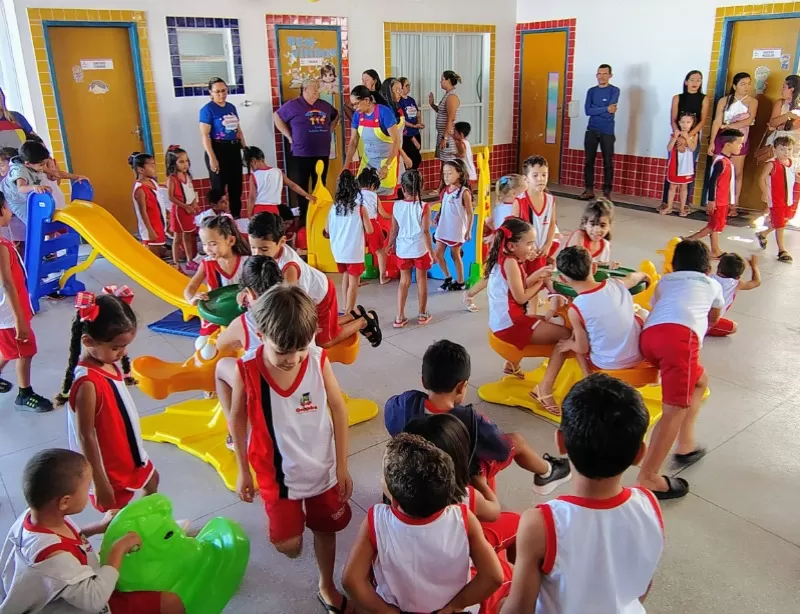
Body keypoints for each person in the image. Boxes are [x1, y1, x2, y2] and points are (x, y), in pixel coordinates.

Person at [229, 285, 353, 613]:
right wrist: (242, 468)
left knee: (326, 530)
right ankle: (290, 533)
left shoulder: (316, 358)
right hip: (275, 475)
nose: (293, 359)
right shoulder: (248, 369)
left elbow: (339, 409)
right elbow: (237, 419)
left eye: (300, 349)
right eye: (284, 351)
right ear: (260, 333)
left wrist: (341, 465)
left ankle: (326, 585)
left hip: (321, 468)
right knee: (289, 545)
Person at [500, 374, 664, 613]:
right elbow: (642, 586)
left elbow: (518, 610)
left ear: (560, 442)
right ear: (640, 454)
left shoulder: (541, 523)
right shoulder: (651, 505)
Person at [0, 448, 185, 613]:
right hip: (85, 603)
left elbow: (64, 542)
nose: (90, 492)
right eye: (87, 487)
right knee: (171, 603)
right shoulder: (53, 557)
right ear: (64, 501)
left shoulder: (37, 517)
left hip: (74, 587)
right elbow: (94, 600)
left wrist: (97, 527)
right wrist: (118, 549)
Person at [343, 432, 505, 614]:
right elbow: (494, 576)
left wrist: (387, 611)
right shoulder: (464, 518)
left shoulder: (375, 521)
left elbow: (351, 580)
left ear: (394, 500)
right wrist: (456, 605)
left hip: (399, 608)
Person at [385, 339, 572, 495]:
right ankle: (547, 472)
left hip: (412, 467)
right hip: (455, 477)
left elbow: (390, 419)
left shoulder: (404, 402)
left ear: (423, 381)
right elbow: (501, 450)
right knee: (516, 441)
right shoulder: (470, 420)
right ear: (461, 386)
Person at [51, 288, 158, 512]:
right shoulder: (88, 383)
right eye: (115, 347)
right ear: (88, 341)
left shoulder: (106, 362)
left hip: (128, 451)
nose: (122, 352)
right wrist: (100, 481)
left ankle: (150, 526)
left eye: (125, 346)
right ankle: (124, 542)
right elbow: (85, 435)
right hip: (110, 465)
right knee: (115, 512)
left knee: (152, 480)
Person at [637, 239, 725, 499]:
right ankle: (649, 476)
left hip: (649, 337)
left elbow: (658, 304)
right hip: (680, 341)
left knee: (700, 381)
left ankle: (686, 444)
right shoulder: (712, 284)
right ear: (707, 268)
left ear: (674, 265)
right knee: (673, 410)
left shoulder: (666, 281)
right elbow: (714, 318)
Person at [247, 212, 381, 348]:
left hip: (322, 296)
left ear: (281, 242)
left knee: (324, 341)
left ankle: (364, 321)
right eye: (253, 248)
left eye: (263, 249)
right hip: (310, 291)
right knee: (320, 326)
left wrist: (307, 323)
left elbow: (295, 302)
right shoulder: (268, 255)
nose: (257, 254)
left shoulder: (289, 270)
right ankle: (354, 315)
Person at [486, 217, 572, 415]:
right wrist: (542, 283)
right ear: (512, 245)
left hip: (504, 321)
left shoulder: (508, 259)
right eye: (529, 243)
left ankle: (512, 364)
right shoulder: (511, 263)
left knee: (548, 322)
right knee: (566, 335)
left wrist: (540, 274)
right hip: (510, 325)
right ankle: (544, 389)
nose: (533, 247)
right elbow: (521, 295)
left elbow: (519, 286)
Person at [215, 255, 283, 450]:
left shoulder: (245, 321)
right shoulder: (297, 305)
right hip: (299, 374)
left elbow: (221, 345)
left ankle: (236, 431)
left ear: (250, 292)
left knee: (221, 368)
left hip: (264, 385)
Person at [555, 246, 650, 371]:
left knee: (576, 335)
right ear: (594, 268)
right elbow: (633, 277)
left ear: (562, 279)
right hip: (639, 355)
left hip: (606, 363)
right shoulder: (615, 284)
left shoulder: (575, 309)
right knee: (641, 314)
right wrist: (644, 275)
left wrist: (570, 344)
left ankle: (586, 376)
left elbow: (582, 348)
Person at [0, 192, 51, 412]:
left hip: (9, 312)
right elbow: (7, 284)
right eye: (8, 206)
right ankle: (24, 393)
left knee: (8, 348)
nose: (10, 211)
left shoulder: (3, 241)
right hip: (9, 314)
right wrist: (19, 319)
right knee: (24, 351)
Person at [273, 79, 340, 224]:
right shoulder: (293, 105)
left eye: (317, 88)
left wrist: (330, 130)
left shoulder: (324, 105)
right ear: (304, 90)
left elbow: (336, 115)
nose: (317, 91)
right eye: (313, 88)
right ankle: (304, 218)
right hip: (301, 153)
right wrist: (288, 136)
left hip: (322, 152)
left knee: (320, 183)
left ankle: (320, 215)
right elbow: (276, 117)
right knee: (302, 185)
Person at [1, 140, 85, 248]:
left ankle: (49, 248)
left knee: (48, 219)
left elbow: (56, 173)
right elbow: (21, 188)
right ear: (27, 164)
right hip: (16, 200)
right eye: (41, 165)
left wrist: (76, 177)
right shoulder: (19, 171)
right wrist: (34, 187)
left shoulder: (35, 163)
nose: (43, 167)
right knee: (35, 225)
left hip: (28, 196)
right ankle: (38, 248)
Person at [183, 215, 249, 349]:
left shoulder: (246, 261)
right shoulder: (207, 263)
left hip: (242, 312)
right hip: (216, 314)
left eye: (213, 244)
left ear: (230, 240)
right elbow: (191, 287)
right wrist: (192, 298)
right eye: (204, 243)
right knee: (203, 345)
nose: (207, 249)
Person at [464, 174, 527, 312]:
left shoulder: (500, 206)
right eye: (524, 189)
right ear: (514, 192)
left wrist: (493, 234)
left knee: (502, 274)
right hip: (504, 248)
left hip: (501, 246)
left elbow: (491, 222)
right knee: (492, 275)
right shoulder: (513, 208)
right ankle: (469, 294)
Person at [388, 169, 436, 328]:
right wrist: (432, 252)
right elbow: (426, 231)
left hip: (403, 249)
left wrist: (389, 245)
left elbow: (394, 231)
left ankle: (400, 317)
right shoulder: (424, 206)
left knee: (404, 281)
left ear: (402, 188)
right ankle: (422, 314)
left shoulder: (396, 206)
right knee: (422, 280)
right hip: (420, 249)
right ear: (421, 187)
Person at [686, 128, 744, 257]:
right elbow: (712, 182)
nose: (741, 146)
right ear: (728, 144)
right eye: (739, 143)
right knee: (712, 227)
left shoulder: (727, 161)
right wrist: (711, 200)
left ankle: (715, 250)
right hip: (718, 201)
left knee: (715, 226)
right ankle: (688, 241)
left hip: (723, 201)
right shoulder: (721, 162)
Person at [707, 72, 756, 216]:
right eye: (743, 84)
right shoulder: (724, 101)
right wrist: (711, 142)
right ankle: (714, 202)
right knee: (718, 171)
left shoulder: (753, 102)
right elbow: (717, 121)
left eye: (749, 83)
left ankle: (733, 204)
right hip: (722, 139)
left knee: (737, 173)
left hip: (740, 139)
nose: (746, 87)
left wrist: (728, 126)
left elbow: (748, 121)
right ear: (734, 86)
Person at [661, 70, 711, 208]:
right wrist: (678, 135)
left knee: (689, 169)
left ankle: (685, 204)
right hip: (676, 136)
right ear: (686, 81)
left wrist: (687, 137)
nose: (695, 83)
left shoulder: (704, 99)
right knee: (672, 168)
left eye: (699, 80)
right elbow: (673, 119)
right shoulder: (677, 98)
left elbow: (702, 121)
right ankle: (666, 202)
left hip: (692, 137)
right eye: (693, 79)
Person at [326, 170, 373, 315]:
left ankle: (345, 306)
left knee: (346, 276)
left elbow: (326, 230)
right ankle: (349, 311)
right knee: (354, 282)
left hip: (338, 251)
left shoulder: (333, 208)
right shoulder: (359, 208)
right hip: (353, 251)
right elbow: (370, 230)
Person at [344, 85, 402, 198]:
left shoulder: (384, 113)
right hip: (367, 163)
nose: (355, 108)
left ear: (366, 100)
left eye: (356, 104)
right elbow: (353, 142)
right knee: (362, 197)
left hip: (385, 164)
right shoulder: (357, 116)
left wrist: (387, 166)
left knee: (383, 200)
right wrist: (346, 166)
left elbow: (396, 141)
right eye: (353, 105)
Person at [199, 78, 246, 218]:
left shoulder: (231, 107)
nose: (221, 94)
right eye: (218, 91)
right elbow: (205, 136)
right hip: (217, 149)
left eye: (224, 90)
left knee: (236, 187)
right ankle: (219, 220)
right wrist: (213, 158)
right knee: (219, 189)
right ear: (211, 93)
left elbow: (238, 130)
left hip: (233, 149)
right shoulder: (207, 110)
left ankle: (236, 218)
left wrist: (245, 148)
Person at [512, 156, 559, 272]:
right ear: (526, 179)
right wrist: (529, 249)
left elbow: (552, 224)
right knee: (523, 285)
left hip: (541, 252)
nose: (540, 179)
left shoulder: (550, 200)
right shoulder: (519, 201)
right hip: (524, 254)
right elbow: (513, 231)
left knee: (539, 282)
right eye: (535, 175)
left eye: (544, 175)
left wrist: (548, 245)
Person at [580, 64, 620, 200]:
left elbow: (611, 112)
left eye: (604, 73)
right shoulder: (591, 91)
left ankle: (607, 192)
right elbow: (587, 111)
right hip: (591, 129)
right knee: (589, 161)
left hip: (607, 131)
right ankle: (589, 189)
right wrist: (604, 108)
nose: (601, 76)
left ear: (610, 75)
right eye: (599, 73)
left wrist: (596, 109)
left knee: (608, 161)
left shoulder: (615, 90)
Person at [435, 159, 474, 292]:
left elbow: (470, 213)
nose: (446, 176)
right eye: (444, 173)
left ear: (460, 174)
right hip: (443, 227)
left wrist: (468, 231)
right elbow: (444, 205)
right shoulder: (445, 190)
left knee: (455, 255)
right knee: (438, 254)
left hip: (455, 230)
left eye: (449, 173)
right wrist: (438, 214)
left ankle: (461, 282)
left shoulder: (464, 192)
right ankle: (447, 277)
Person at [242, 145, 312, 219]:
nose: (251, 169)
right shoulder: (278, 172)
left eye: (250, 166)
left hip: (259, 209)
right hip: (274, 209)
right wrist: (307, 195)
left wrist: (249, 214)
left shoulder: (254, 176)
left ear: (253, 161)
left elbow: (252, 197)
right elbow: (292, 185)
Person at [756, 135, 797, 261]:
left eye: (789, 149)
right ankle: (782, 250)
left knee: (782, 222)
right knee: (780, 226)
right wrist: (764, 192)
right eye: (782, 149)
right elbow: (761, 178)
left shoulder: (791, 163)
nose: (786, 152)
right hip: (776, 199)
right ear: (775, 149)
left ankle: (762, 234)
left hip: (788, 199)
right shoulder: (772, 164)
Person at [708, 253, 761, 337]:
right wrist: (754, 266)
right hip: (708, 322)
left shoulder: (708, 277)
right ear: (738, 276)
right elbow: (756, 282)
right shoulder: (736, 284)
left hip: (692, 314)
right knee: (734, 327)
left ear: (718, 268)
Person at [164, 145, 198, 272]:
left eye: (187, 161)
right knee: (178, 237)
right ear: (174, 163)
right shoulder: (172, 179)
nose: (185, 164)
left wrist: (194, 203)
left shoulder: (187, 176)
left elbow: (191, 191)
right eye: (181, 161)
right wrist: (185, 206)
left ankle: (190, 260)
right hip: (179, 211)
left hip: (189, 210)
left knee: (189, 236)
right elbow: (171, 197)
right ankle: (175, 262)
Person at [659, 112, 699, 217]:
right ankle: (669, 206)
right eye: (683, 122)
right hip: (675, 164)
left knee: (684, 187)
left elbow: (693, 148)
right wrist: (675, 138)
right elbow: (669, 148)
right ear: (679, 123)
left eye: (688, 122)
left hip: (686, 165)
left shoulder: (694, 135)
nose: (685, 125)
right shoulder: (674, 134)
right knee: (672, 186)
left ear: (692, 123)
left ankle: (682, 208)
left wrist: (686, 138)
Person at [129, 152, 168, 257]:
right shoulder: (140, 189)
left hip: (159, 224)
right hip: (150, 228)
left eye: (154, 164)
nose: (154, 168)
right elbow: (143, 212)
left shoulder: (152, 182)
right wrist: (150, 231)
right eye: (151, 165)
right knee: (153, 257)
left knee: (160, 252)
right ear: (141, 170)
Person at [358, 167, 391, 284]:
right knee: (380, 252)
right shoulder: (373, 196)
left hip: (357, 225)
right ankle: (382, 278)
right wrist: (393, 217)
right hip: (372, 224)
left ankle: (357, 279)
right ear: (372, 185)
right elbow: (383, 214)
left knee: (358, 253)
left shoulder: (355, 195)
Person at [565, 198, 617, 267]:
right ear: (584, 223)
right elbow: (577, 263)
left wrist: (611, 266)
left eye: (602, 225)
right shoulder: (579, 236)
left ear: (610, 226)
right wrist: (603, 264)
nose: (597, 230)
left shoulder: (606, 246)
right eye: (592, 224)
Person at [430, 71, 462, 180]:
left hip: (448, 136)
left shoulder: (451, 96)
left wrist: (445, 137)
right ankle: (442, 186)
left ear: (448, 80)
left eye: (442, 79)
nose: (440, 81)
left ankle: (443, 187)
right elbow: (441, 112)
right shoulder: (447, 95)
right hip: (443, 134)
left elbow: (451, 118)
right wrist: (432, 104)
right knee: (444, 162)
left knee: (447, 163)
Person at [766, 75, 800, 172]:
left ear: (792, 89)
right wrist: (786, 116)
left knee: (792, 172)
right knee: (775, 170)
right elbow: (772, 123)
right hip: (778, 143)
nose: (781, 90)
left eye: (784, 87)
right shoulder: (780, 103)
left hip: (795, 145)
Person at [379, 77, 413, 169]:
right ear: (389, 91)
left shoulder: (396, 107)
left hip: (398, 150)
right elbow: (392, 140)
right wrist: (404, 156)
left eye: (400, 89)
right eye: (396, 90)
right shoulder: (386, 111)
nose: (400, 93)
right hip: (389, 153)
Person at [397, 77, 423, 170]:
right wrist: (413, 125)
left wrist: (419, 124)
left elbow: (417, 113)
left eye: (409, 85)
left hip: (415, 132)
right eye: (406, 86)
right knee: (411, 158)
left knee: (417, 157)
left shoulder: (411, 100)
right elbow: (402, 119)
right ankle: (409, 178)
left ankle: (413, 176)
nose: (409, 87)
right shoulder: (399, 102)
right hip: (407, 134)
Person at [454, 121, 478, 185]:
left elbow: (462, 155)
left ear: (461, 134)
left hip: (467, 175)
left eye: (455, 132)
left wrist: (453, 154)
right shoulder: (466, 142)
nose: (453, 134)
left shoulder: (460, 143)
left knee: (464, 193)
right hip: (472, 174)